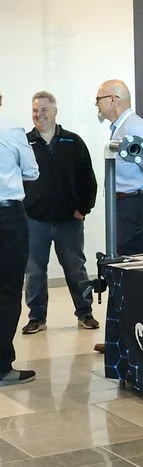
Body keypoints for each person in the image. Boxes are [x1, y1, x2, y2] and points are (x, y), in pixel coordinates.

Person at [22, 91, 99, 334]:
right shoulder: (24, 143)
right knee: (34, 271)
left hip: (69, 220)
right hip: (34, 221)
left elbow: (89, 179)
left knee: (76, 268)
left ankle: (85, 313)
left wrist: (82, 209)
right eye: (35, 110)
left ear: (55, 111)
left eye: (44, 109)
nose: (39, 115)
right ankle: (36, 317)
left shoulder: (73, 142)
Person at [95, 79, 143, 255]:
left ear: (112, 99)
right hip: (124, 207)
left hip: (134, 208)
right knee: (122, 257)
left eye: (98, 99)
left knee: (133, 262)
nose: (96, 105)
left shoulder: (135, 129)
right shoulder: (122, 128)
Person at [0, 92, 39, 386]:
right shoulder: (10, 128)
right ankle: (2, 367)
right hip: (7, 218)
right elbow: (31, 171)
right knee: (8, 291)